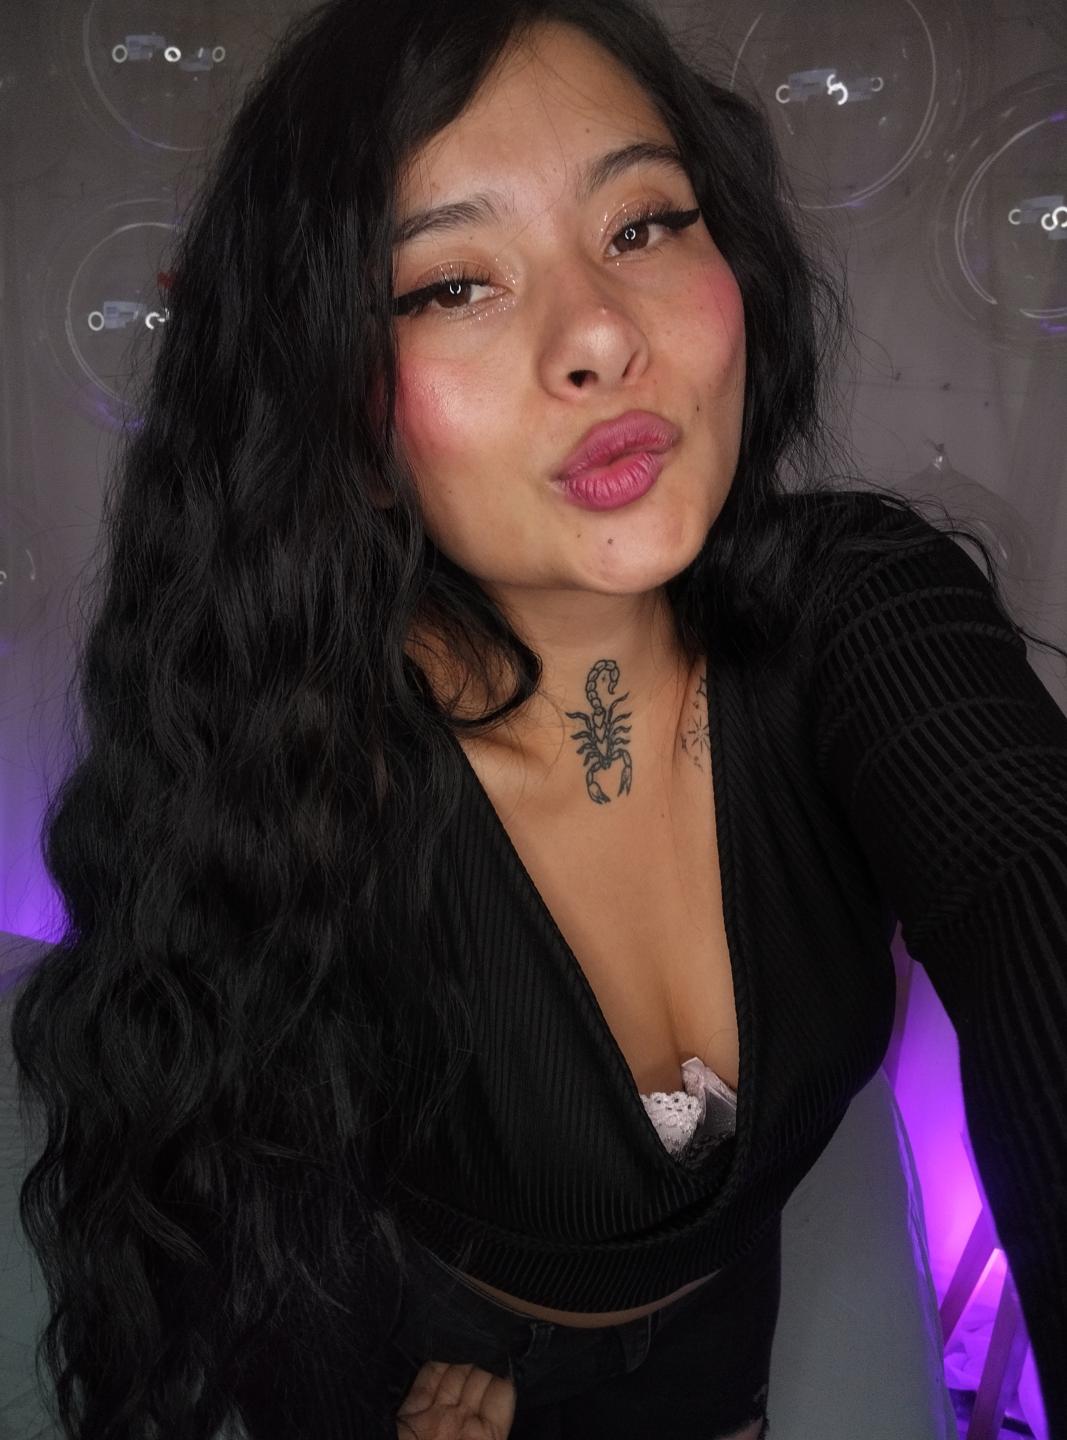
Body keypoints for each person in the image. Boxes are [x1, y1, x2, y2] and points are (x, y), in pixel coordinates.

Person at [6, 0, 1066, 1437]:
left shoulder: (863, 608)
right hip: (434, 1363)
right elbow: (234, 1236)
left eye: (643, 224)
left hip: (721, 1332)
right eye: (452, 284)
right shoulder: (292, 765)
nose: (601, 335)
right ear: (331, 394)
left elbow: (1030, 879)